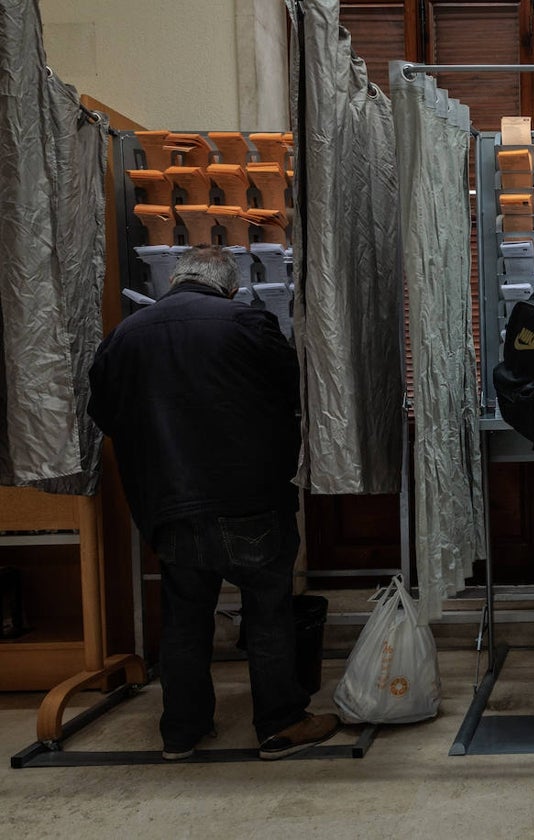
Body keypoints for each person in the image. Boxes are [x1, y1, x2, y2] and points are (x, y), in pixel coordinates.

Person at [88, 244, 340, 761]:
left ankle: (180, 732)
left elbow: (104, 416)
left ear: (173, 281)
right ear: (231, 286)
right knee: (267, 612)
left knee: (184, 616)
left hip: (168, 503)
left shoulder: (124, 337)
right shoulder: (246, 324)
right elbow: (294, 393)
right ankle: (279, 724)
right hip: (248, 498)